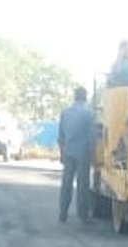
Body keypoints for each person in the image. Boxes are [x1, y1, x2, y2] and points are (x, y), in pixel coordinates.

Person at [56, 86, 97, 223]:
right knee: (82, 185)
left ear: (74, 97)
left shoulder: (65, 112)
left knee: (66, 184)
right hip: (83, 153)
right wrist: (93, 155)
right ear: (85, 97)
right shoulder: (89, 114)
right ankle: (82, 215)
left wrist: (62, 153)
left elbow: (61, 135)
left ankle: (63, 212)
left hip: (68, 152)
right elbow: (92, 137)